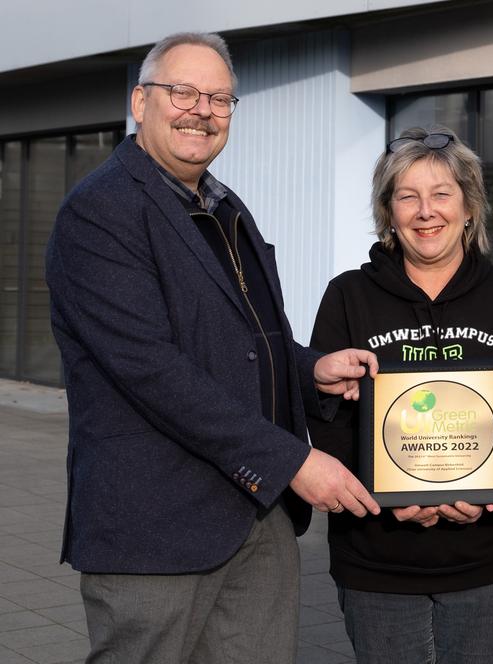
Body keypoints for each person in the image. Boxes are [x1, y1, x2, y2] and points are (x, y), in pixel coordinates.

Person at [45, 32, 380, 664]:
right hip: (156, 530)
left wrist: (311, 372)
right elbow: (152, 372)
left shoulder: (224, 206)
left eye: (220, 98)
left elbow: (249, 336)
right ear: (141, 102)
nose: (202, 109)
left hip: (256, 519)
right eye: (183, 91)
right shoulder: (99, 213)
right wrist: (293, 463)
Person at [307, 126, 493, 663]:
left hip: (489, 558)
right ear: (388, 212)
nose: (425, 211)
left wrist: (489, 491)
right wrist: (386, 496)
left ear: (469, 207)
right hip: (378, 561)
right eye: (407, 196)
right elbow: (325, 419)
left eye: (442, 194)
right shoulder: (349, 295)